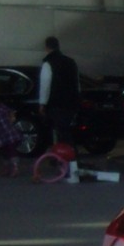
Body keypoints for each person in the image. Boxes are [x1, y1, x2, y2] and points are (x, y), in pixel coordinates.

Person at [38, 35, 81, 182]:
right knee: (66, 131)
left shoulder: (48, 63)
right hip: (71, 103)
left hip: (56, 103)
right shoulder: (71, 62)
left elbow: (45, 85)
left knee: (61, 132)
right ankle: (68, 160)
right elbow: (77, 83)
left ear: (47, 47)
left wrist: (42, 103)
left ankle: (68, 161)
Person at [0, 101, 23, 177]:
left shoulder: (0, 108)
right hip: (3, 135)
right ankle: (7, 168)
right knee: (5, 152)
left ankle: (15, 168)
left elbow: (11, 111)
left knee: (11, 150)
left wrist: (12, 117)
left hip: (9, 133)